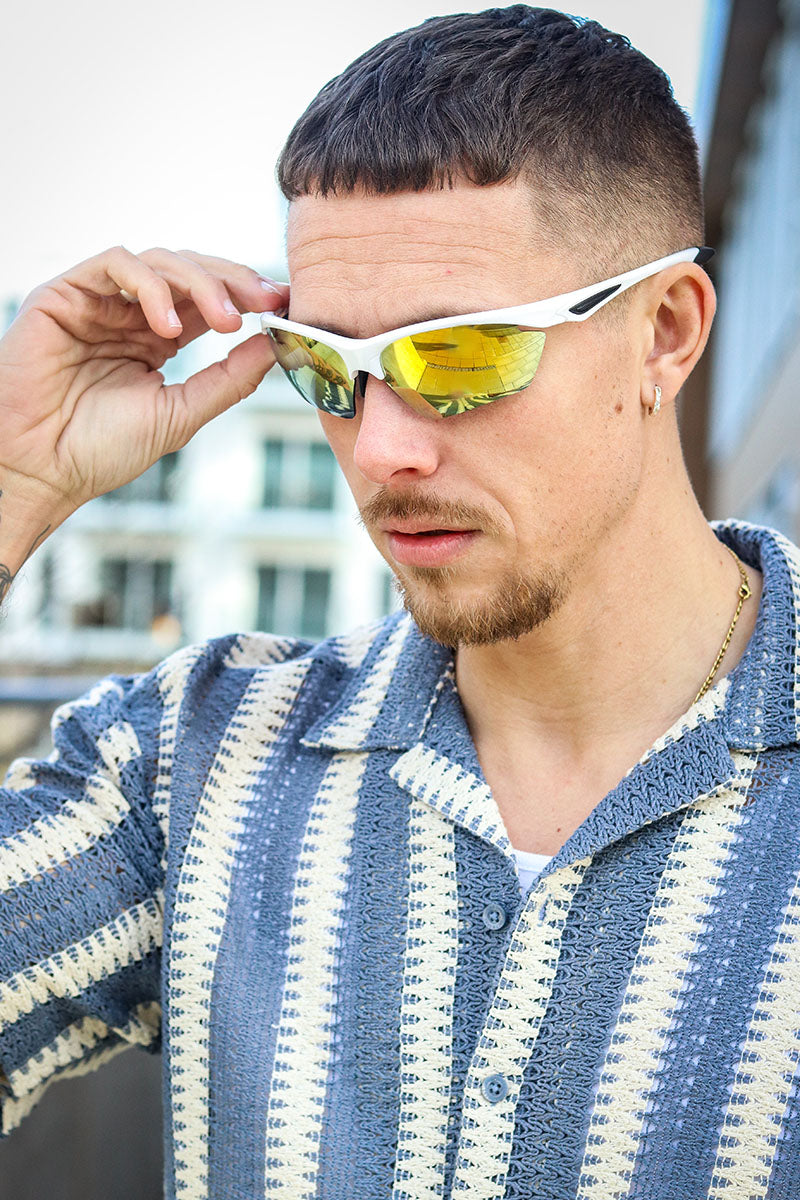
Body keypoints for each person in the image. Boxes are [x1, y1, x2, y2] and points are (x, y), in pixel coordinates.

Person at [0, 6, 796, 1198]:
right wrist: (10, 486)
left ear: (663, 334)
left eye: (459, 356)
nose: (379, 451)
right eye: (325, 366)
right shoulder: (194, 760)